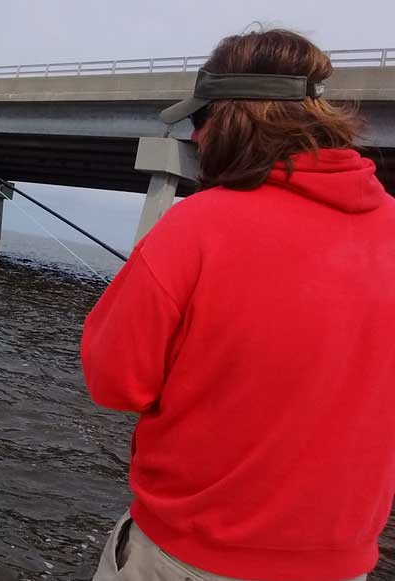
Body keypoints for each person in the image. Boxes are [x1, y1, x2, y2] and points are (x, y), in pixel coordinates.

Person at [82, 29, 395, 581]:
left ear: (225, 119)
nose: (197, 140)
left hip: (186, 560)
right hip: (343, 568)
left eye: (199, 123)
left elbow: (114, 382)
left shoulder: (196, 226)